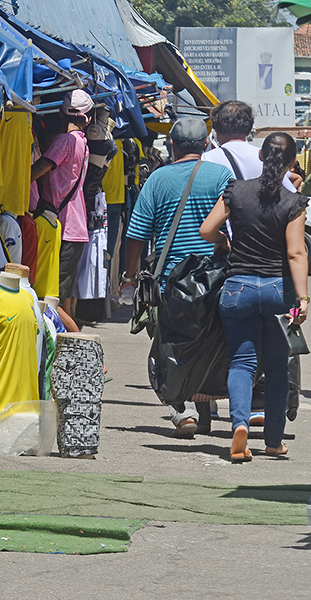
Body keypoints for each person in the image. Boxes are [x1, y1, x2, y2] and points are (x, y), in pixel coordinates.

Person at [119, 117, 233, 439]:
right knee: (209, 340)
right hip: (214, 278)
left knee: (171, 345)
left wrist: (131, 275)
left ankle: (183, 411)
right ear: (207, 145)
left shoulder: (157, 179)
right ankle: (205, 407)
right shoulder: (222, 175)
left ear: (172, 145)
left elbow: (137, 234)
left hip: (172, 281)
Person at [200, 132, 308, 462]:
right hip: (278, 292)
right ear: (292, 162)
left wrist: (223, 241)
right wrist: (302, 298)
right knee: (277, 368)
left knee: (242, 363)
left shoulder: (236, 191)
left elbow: (207, 230)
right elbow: (295, 253)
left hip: (238, 289)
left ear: (261, 156)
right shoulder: (294, 203)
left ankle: (238, 427)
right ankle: (273, 441)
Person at [31, 89, 92, 319]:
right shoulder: (83, 143)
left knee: (51, 298)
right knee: (60, 295)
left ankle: (73, 342)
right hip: (75, 227)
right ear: (88, 118)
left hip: (61, 226)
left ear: (60, 113)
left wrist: (14, 181)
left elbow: (40, 169)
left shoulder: (65, 141)